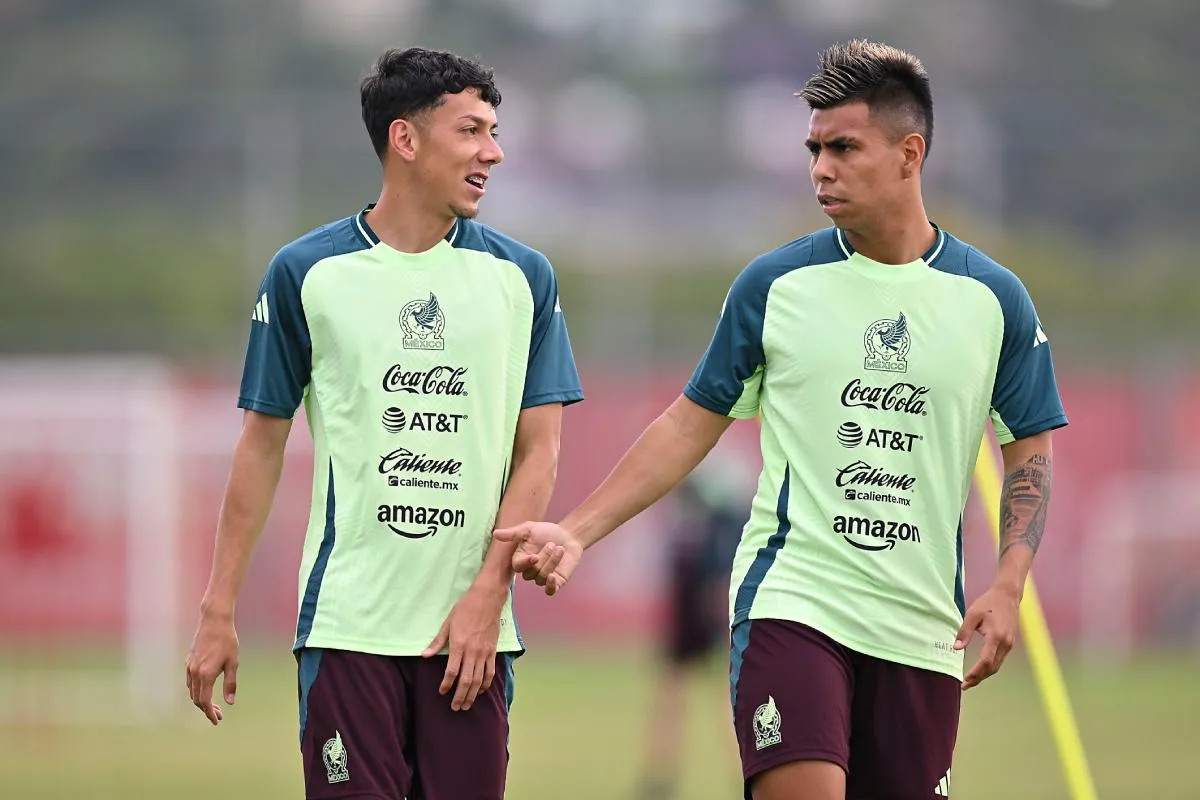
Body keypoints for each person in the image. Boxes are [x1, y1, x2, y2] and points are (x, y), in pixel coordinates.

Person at [496, 39, 1067, 800]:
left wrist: (1008, 584)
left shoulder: (994, 300)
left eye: (843, 147)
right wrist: (576, 530)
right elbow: (686, 424)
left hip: (922, 630)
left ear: (910, 153)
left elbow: (1029, 443)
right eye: (813, 149)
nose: (820, 168)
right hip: (793, 605)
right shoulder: (776, 285)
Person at [184, 47, 583, 800]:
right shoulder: (307, 273)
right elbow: (260, 446)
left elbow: (541, 451)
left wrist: (486, 595)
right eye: (471, 131)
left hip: (469, 639)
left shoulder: (523, 277)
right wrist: (218, 610)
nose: (492, 152)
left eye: (494, 132)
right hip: (346, 630)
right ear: (406, 140)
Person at [635, 463, 747, 800]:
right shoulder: (720, 509)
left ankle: (665, 776)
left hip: (705, 605)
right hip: (703, 605)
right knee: (705, 695)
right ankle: (665, 775)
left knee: (711, 696)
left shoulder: (711, 511)